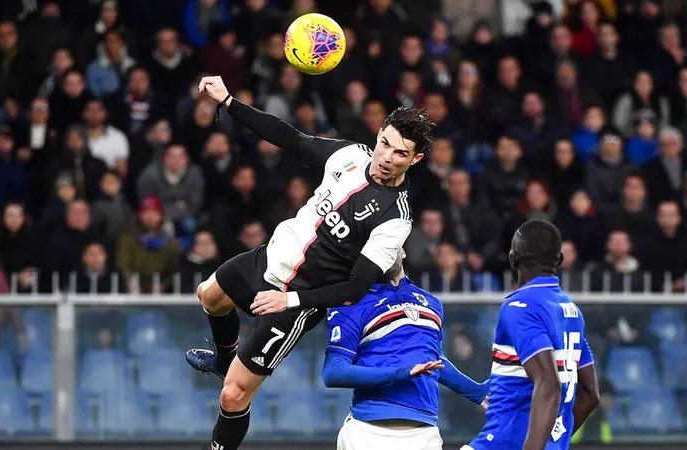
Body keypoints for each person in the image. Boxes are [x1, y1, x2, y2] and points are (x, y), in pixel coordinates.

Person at [186, 76, 435, 450]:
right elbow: (290, 138)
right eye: (385, 143)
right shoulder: (351, 154)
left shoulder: (395, 218)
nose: (386, 157)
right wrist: (229, 101)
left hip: (296, 299)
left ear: (415, 159)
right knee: (209, 296)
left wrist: (288, 302)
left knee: (233, 396)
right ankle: (225, 359)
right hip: (271, 256)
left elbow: (354, 290)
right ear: (379, 133)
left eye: (400, 153)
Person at [325, 249, 489, 450]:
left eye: (387, 242)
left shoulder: (432, 303)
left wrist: (476, 391)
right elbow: (333, 371)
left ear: (402, 250)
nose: (382, 248)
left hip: (424, 434)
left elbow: (434, 360)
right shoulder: (351, 303)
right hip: (367, 433)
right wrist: (400, 373)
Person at [463, 219, 600, 450]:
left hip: (503, 443)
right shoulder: (572, 311)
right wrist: (554, 441)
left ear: (513, 257)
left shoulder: (519, 306)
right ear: (560, 260)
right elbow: (590, 393)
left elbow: (548, 384)